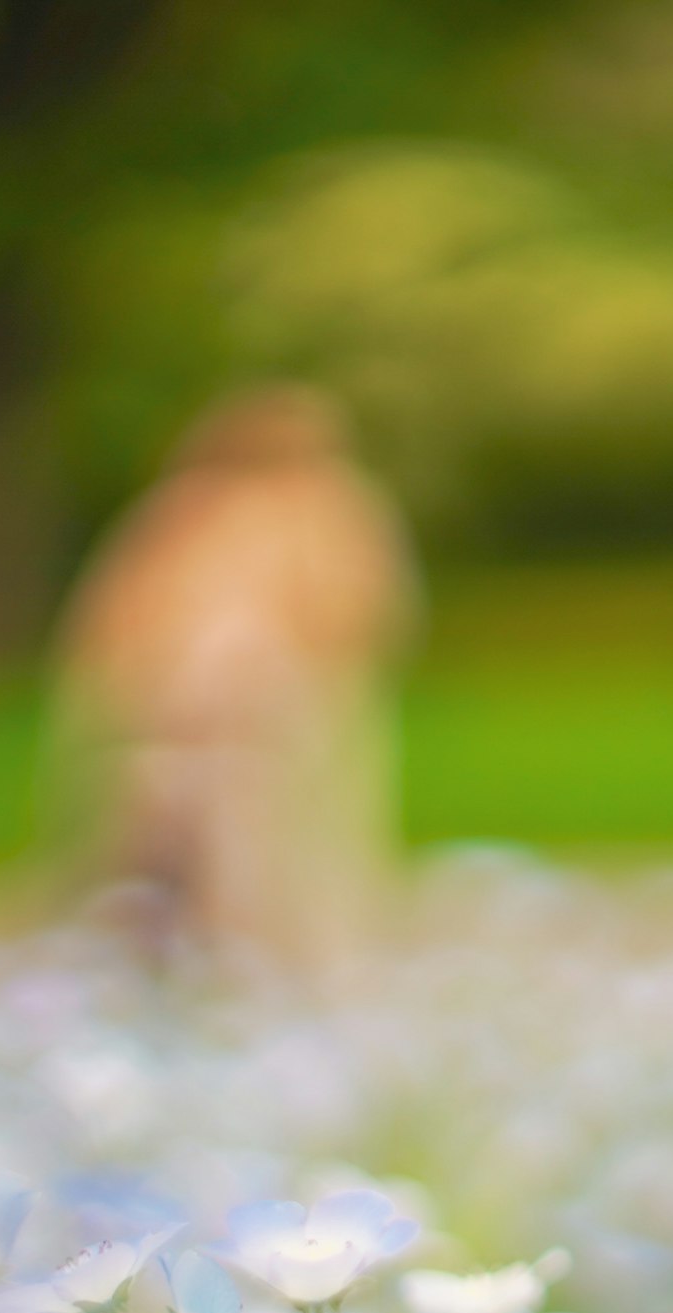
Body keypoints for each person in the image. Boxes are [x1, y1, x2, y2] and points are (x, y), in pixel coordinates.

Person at [52, 387, 415, 969]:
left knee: (266, 855)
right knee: (189, 848)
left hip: (263, 716)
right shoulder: (197, 510)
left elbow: (353, 614)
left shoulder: (320, 510)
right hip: (204, 714)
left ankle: (238, 961)